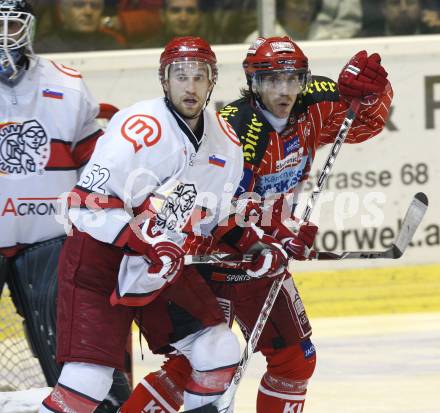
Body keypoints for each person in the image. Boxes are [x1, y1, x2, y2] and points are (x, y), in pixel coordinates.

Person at [125, 36, 393, 413]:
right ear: (252, 81)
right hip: (209, 255)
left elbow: (364, 123)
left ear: (304, 78)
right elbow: (219, 210)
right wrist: (277, 236)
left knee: (295, 360)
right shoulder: (236, 130)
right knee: (198, 365)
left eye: (292, 80)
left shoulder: (314, 100)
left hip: (263, 252)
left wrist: (374, 93)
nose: (283, 91)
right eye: (271, 80)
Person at [40, 35, 287, 413]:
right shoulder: (138, 127)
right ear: (164, 79)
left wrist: (253, 245)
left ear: (212, 81)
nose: (190, 86)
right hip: (99, 260)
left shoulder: (225, 142)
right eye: (180, 75)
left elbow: (216, 217)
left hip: (161, 267)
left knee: (218, 353)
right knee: (88, 382)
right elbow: (85, 204)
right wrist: (146, 242)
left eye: (200, 76)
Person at [0, 1, 130, 412]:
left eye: (13, 22)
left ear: (31, 27)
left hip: (51, 240)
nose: (5, 33)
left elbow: (95, 167)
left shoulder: (67, 83)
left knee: (76, 351)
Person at [34, 0, 122, 53]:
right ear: (62, 13)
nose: (88, 12)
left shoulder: (113, 47)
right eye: (79, 5)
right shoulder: (43, 50)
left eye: (95, 6)